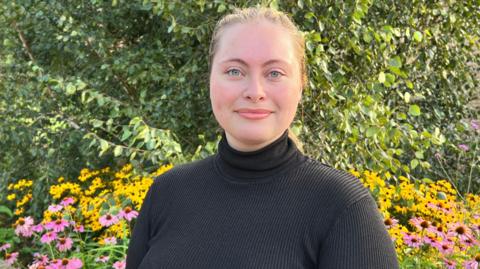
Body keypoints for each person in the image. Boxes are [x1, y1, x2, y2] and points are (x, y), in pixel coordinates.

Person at [126, 7, 399, 269]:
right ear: (209, 79)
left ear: (301, 85)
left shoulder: (342, 206)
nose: (255, 91)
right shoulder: (167, 193)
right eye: (234, 71)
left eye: (274, 73)